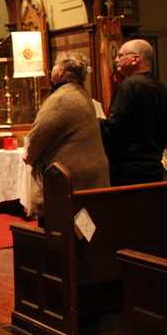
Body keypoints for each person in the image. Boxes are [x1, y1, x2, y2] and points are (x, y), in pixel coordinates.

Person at [24, 53, 110, 217]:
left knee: (66, 229)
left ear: (61, 71)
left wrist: (30, 155)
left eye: (54, 65)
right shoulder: (83, 94)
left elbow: (39, 133)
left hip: (71, 177)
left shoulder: (62, 98)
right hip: (91, 173)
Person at [101, 39, 167, 185]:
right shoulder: (160, 87)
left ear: (135, 59)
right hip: (154, 168)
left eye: (120, 55)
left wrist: (96, 121)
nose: (116, 60)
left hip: (129, 171)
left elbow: (114, 129)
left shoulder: (128, 86)